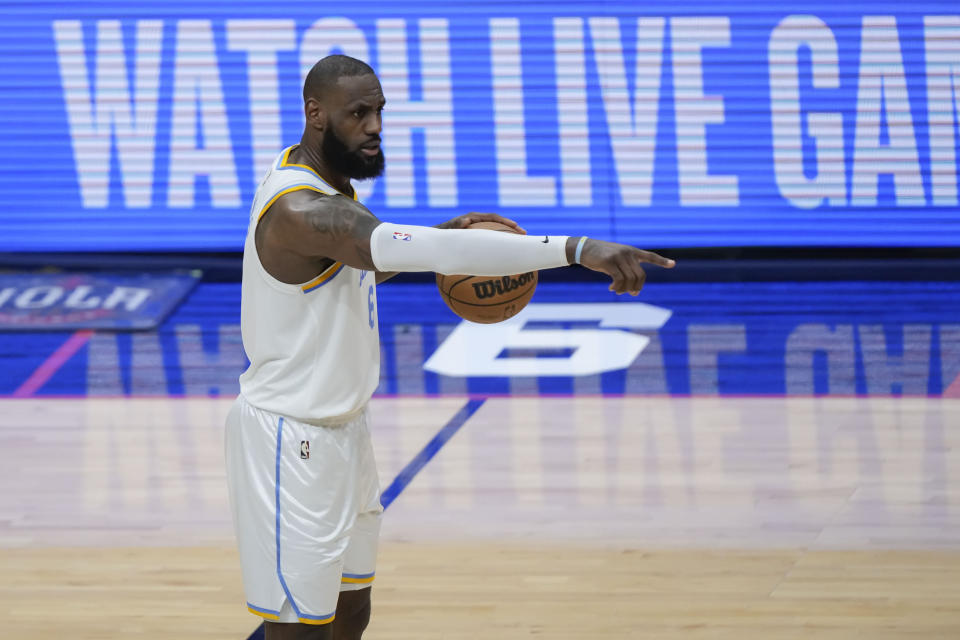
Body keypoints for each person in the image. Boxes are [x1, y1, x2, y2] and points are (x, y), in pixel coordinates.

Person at [224, 54, 675, 640]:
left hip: (344, 428)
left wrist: (445, 235)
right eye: (358, 113)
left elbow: (363, 264)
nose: (375, 126)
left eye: (379, 111)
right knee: (299, 630)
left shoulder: (328, 187)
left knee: (352, 610)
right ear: (315, 114)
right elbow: (386, 247)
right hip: (290, 441)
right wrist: (576, 248)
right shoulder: (300, 209)